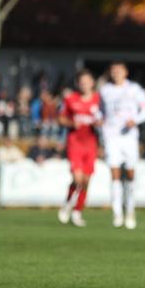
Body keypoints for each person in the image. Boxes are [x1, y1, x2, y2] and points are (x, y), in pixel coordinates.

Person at [99, 62, 145, 229]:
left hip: (129, 137)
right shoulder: (105, 90)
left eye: (119, 70)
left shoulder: (135, 89)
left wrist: (134, 120)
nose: (116, 73)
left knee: (130, 174)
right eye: (113, 71)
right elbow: (100, 111)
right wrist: (99, 122)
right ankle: (117, 213)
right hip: (111, 137)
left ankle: (130, 210)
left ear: (125, 72)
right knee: (114, 173)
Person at [57, 70, 102, 227]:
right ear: (78, 84)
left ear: (92, 82)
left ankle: (77, 211)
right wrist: (70, 123)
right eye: (81, 82)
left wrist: (100, 124)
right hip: (75, 143)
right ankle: (68, 203)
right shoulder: (71, 99)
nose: (85, 84)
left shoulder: (99, 99)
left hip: (91, 144)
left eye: (87, 81)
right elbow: (61, 118)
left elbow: (104, 118)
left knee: (86, 181)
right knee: (78, 179)